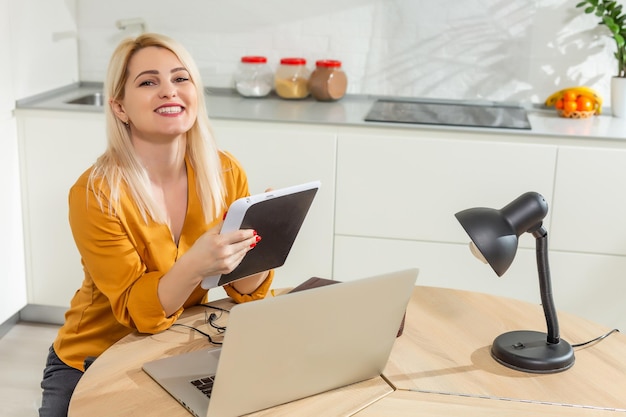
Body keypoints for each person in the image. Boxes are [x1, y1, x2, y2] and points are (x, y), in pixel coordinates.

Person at [38, 33, 274, 417]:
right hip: (92, 361)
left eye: (181, 79)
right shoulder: (95, 193)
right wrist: (196, 264)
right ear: (119, 107)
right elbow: (138, 313)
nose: (169, 91)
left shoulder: (226, 172)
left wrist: (267, 237)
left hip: (179, 350)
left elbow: (245, 291)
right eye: (148, 82)